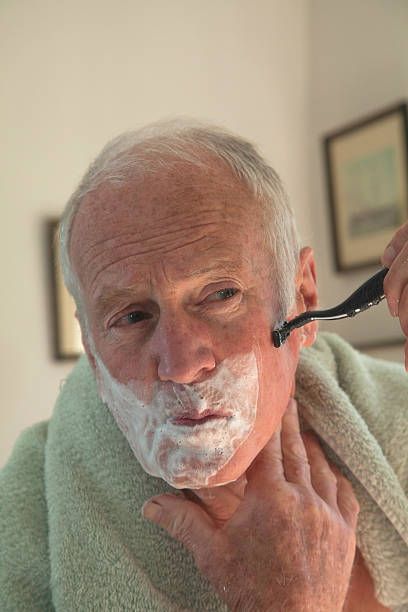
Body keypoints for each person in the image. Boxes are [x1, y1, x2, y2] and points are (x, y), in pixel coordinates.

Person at [1, 119, 407, 611]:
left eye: (220, 294)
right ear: (91, 349)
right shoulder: (28, 503)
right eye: (131, 316)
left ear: (303, 295)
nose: (180, 365)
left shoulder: (397, 416)